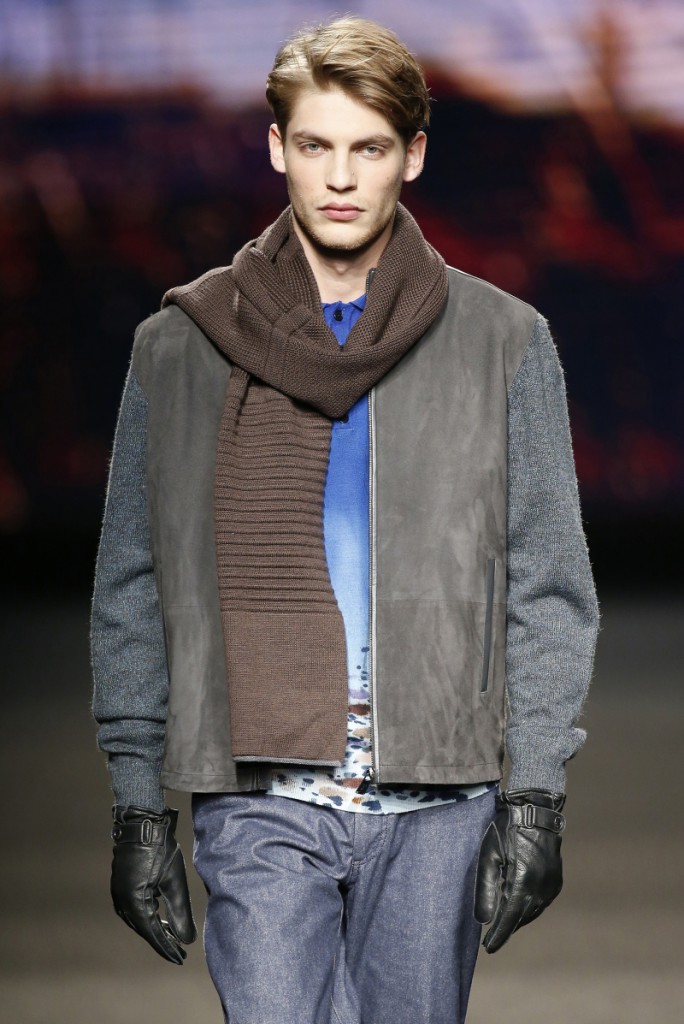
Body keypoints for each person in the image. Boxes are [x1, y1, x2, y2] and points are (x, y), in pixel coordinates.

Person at [91, 16, 599, 1024]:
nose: (338, 177)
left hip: (440, 800)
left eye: (368, 148)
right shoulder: (181, 350)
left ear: (413, 155)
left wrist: (537, 794)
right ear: (276, 147)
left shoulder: (502, 342)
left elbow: (548, 582)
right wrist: (138, 804)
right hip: (258, 790)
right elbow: (132, 586)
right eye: (316, 144)